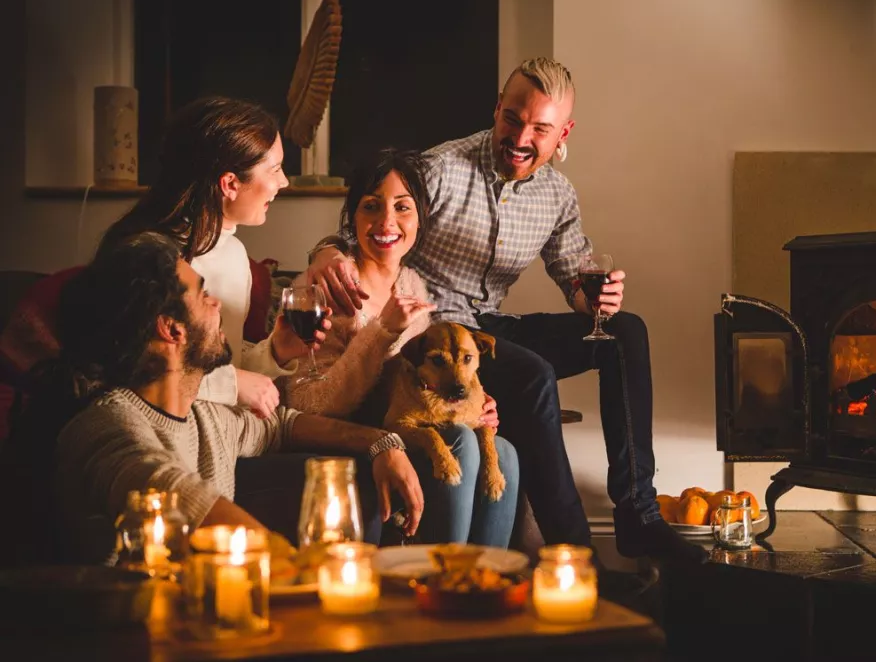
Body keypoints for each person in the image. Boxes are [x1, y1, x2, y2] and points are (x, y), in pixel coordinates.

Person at [307, 58, 706, 564]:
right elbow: (368, 222)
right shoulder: (441, 168)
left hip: (491, 327)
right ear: (497, 110)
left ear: (564, 132)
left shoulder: (558, 196)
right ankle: (576, 557)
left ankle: (638, 516)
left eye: (540, 128)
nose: (521, 137)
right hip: (434, 334)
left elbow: (572, 275)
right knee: (532, 372)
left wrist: (595, 299)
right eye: (512, 119)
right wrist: (324, 253)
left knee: (625, 332)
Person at [43, 232, 422, 563]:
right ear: (171, 329)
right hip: (120, 635)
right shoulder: (106, 426)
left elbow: (282, 425)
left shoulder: (205, 416)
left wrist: (382, 443)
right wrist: (296, 570)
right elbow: (167, 490)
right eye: (203, 295)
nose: (217, 304)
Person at [281, 149, 519, 549]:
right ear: (352, 217)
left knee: (504, 452)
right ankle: (443, 583)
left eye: (402, 207)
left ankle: (482, 587)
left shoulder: (411, 283)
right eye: (371, 206)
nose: (387, 222)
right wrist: (381, 332)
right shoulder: (322, 287)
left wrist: (463, 400)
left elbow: (417, 379)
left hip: (401, 423)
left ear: (420, 218)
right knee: (459, 443)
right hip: (352, 436)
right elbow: (308, 404)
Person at [97, 96, 321, 420]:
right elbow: (125, 374)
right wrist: (233, 384)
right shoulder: (147, 257)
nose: (283, 182)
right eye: (274, 170)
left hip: (221, 434)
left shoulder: (234, 253)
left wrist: (276, 351)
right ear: (230, 183)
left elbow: (227, 370)